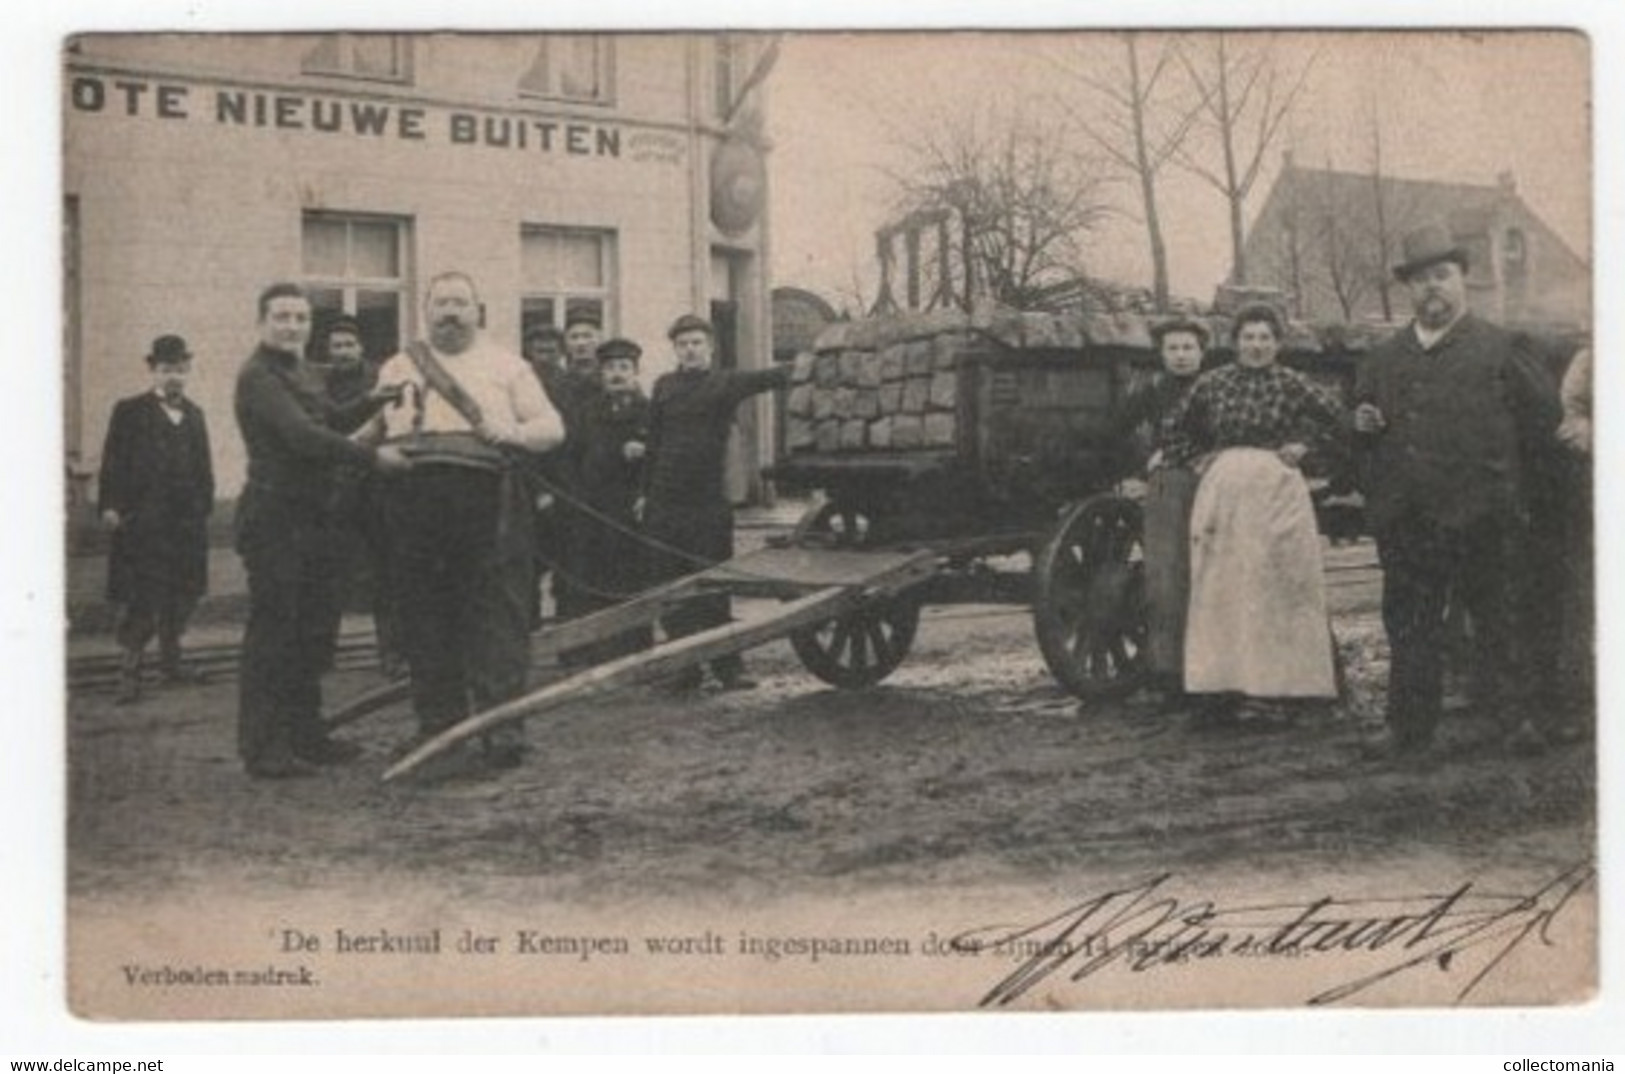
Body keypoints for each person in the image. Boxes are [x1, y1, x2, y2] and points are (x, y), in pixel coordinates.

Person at [1354, 223, 1562, 759]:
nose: (1433, 288)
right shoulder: (1383, 360)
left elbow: (1543, 434)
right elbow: (1363, 436)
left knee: (1499, 619)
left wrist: (1523, 504)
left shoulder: (1503, 349)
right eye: (1421, 279)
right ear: (1408, 289)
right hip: (1410, 519)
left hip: (1484, 515)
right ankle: (1409, 730)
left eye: (1443, 275)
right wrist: (1363, 429)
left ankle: (1517, 721)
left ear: (1464, 279)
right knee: (1411, 628)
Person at [369, 272, 565, 772]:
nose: (450, 312)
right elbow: (372, 430)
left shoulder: (506, 365)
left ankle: (503, 733)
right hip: (415, 504)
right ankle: (438, 726)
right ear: (426, 311)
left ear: (479, 311)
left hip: (490, 504)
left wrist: (513, 431)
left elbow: (552, 429)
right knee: (425, 618)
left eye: (460, 303)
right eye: (441, 304)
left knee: (496, 619)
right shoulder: (397, 366)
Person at [234, 284, 410, 779]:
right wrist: (373, 456)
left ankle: (306, 734)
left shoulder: (300, 370)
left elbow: (327, 417)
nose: (291, 326)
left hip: (315, 517)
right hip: (275, 519)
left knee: (312, 632)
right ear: (261, 322)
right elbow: (303, 437)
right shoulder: (258, 376)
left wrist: (372, 399)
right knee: (275, 633)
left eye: (299, 317)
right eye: (281, 317)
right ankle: (263, 747)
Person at [1164, 303, 1348, 725]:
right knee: (1223, 588)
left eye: (1265, 338)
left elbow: (1338, 422)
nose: (1257, 346)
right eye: (1249, 338)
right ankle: (1224, 689)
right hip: (1225, 491)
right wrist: (1198, 457)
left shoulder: (1293, 384)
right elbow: (1175, 427)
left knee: (1278, 586)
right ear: (1235, 343)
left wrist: (1304, 446)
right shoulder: (1212, 384)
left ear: (1278, 344)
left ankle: (1285, 691)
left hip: (1277, 490)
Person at [642, 313, 790, 692]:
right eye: (683, 344)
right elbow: (654, 443)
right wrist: (646, 494)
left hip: (708, 502)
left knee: (714, 583)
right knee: (671, 586)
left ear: (710, 347)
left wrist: (809, 364)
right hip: (665, 501)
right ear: (675, 349)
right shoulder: (663, 386)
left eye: (696, 343)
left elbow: (769, 378)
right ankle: (683, 667)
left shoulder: (724, 383)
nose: (690, 349)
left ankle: (728, 667)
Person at [97, 334, 215, 704]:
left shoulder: (195, 415)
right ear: (152, 371)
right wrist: (111, 506)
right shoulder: (129, 411)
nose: (174, 377)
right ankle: (129, 673)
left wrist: (202, 508)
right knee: (142, 597)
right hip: (143, 525)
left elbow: (204, 469)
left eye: (180, 369)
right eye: (166, 370)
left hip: (186, 526)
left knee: (183, 593)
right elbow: (112, 463)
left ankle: (172, 663)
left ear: (188, 371)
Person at [1115, 318, 1209, 710]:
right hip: (1167, 487)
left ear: (1201, 352)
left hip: (1210, 484)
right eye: (1173, 349)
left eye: (1188, 348)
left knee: (1208, 574)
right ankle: (1168, 675)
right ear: (1162, 354)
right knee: (1165, 577)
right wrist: (1138, 468)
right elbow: (1116, 428)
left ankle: (1211, 674)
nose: (1182, 356)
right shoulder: (1152, 391)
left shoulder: (1217, 387)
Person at [311, 317, 406, 679]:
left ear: (361, 347)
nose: (343, 352)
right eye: (336, 346)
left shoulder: (381, 379)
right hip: (332, 489)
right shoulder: (316, 384)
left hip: (376, 489)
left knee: (388, 572)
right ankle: (321, 654)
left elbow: (394, 423)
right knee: (328, 571)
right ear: (328, 351)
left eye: (349, 345)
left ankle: (392, 653)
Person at [560, 337, 654, 665]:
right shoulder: (586, 412)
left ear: (636, 372)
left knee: (628, 574)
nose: (617, 374)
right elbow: (568, 456)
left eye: (624, 368)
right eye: (611, 368)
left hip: (628, 508)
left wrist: (646, 457)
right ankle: (582, 652)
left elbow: (663, 459)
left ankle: (630, 650)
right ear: (602, 373)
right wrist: (574, 498)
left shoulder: (649, 411)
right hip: (589, 506)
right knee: (585, 574)